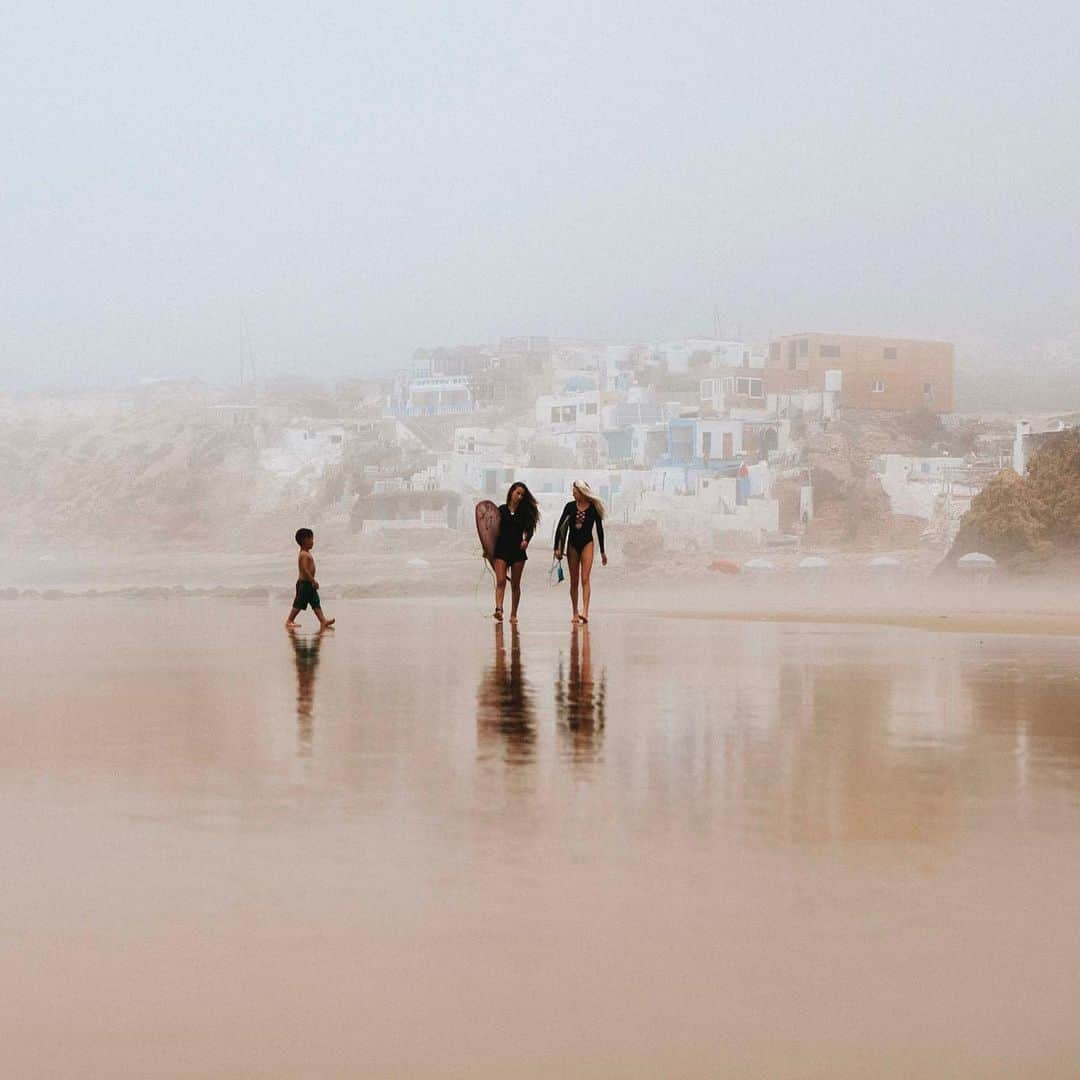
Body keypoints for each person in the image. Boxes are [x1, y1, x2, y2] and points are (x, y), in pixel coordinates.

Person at [553, 480, 607, 624]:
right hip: (572, 545)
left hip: (587, 544)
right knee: (574, 581)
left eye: (575, 492)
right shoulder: (569, 507)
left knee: (585, 578)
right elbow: (560, 527)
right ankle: (575, 612)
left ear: (582, 492)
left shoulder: (593, 508)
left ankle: (585, 612)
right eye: (573, 491)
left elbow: (600, 530)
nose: (573, 493)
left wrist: (602, 551)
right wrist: (556, 548)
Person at [492, 482, 539, 623]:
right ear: (511, 492)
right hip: (501, 549)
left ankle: (513, 614)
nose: (519, 496)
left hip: (518, 551)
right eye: (517, 493)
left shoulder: (524, 513)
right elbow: (491, 530)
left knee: (515, 585)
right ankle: (499, 609)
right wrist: (487, 549)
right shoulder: (501, 510)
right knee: (500, 581)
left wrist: (527, 541)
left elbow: (530, 529)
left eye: (522, 495)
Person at [285, 528, 335, 630]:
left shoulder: (306, 553)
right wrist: (313, 580)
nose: (313, 542)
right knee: (299, 603)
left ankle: (323, 621)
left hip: (308, 583)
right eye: (311, 539)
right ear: (305, 540)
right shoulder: (303, 554)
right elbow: (304, 569)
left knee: (315, 602)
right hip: (304, 583)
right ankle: (289, 620)